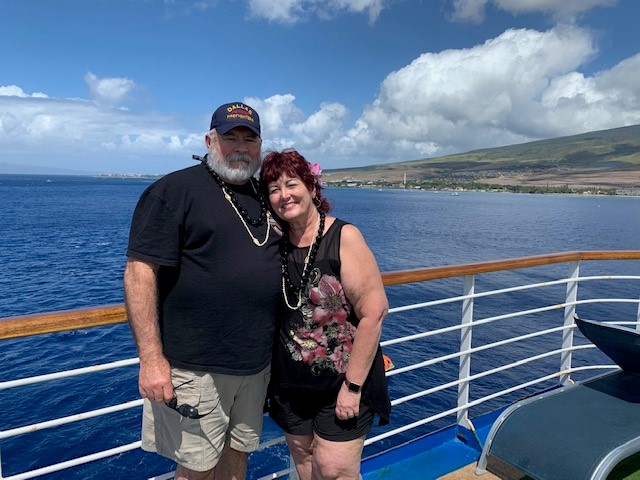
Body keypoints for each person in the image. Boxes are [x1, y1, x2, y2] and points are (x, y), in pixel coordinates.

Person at [123, 102, 281, 480]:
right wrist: (151, 359)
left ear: (260, 146)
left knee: (238, 456)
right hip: (196, 368)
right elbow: (139, 272)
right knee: (196, 469)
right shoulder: (174, 190)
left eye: (249, 139)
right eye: (230, 138)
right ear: (210, 140)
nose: (240, 147)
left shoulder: (265, 195)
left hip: (256, 365)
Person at [260, 149, 391, 480]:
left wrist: (353, 386)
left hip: (343, 382)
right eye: (274, 189)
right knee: (305, 463)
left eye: (292, 184)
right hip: (290, 385)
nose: (284, 195)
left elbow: (374, 313)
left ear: (312, 187)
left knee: (335, 470)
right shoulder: (274, 243)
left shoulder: (343, 237)